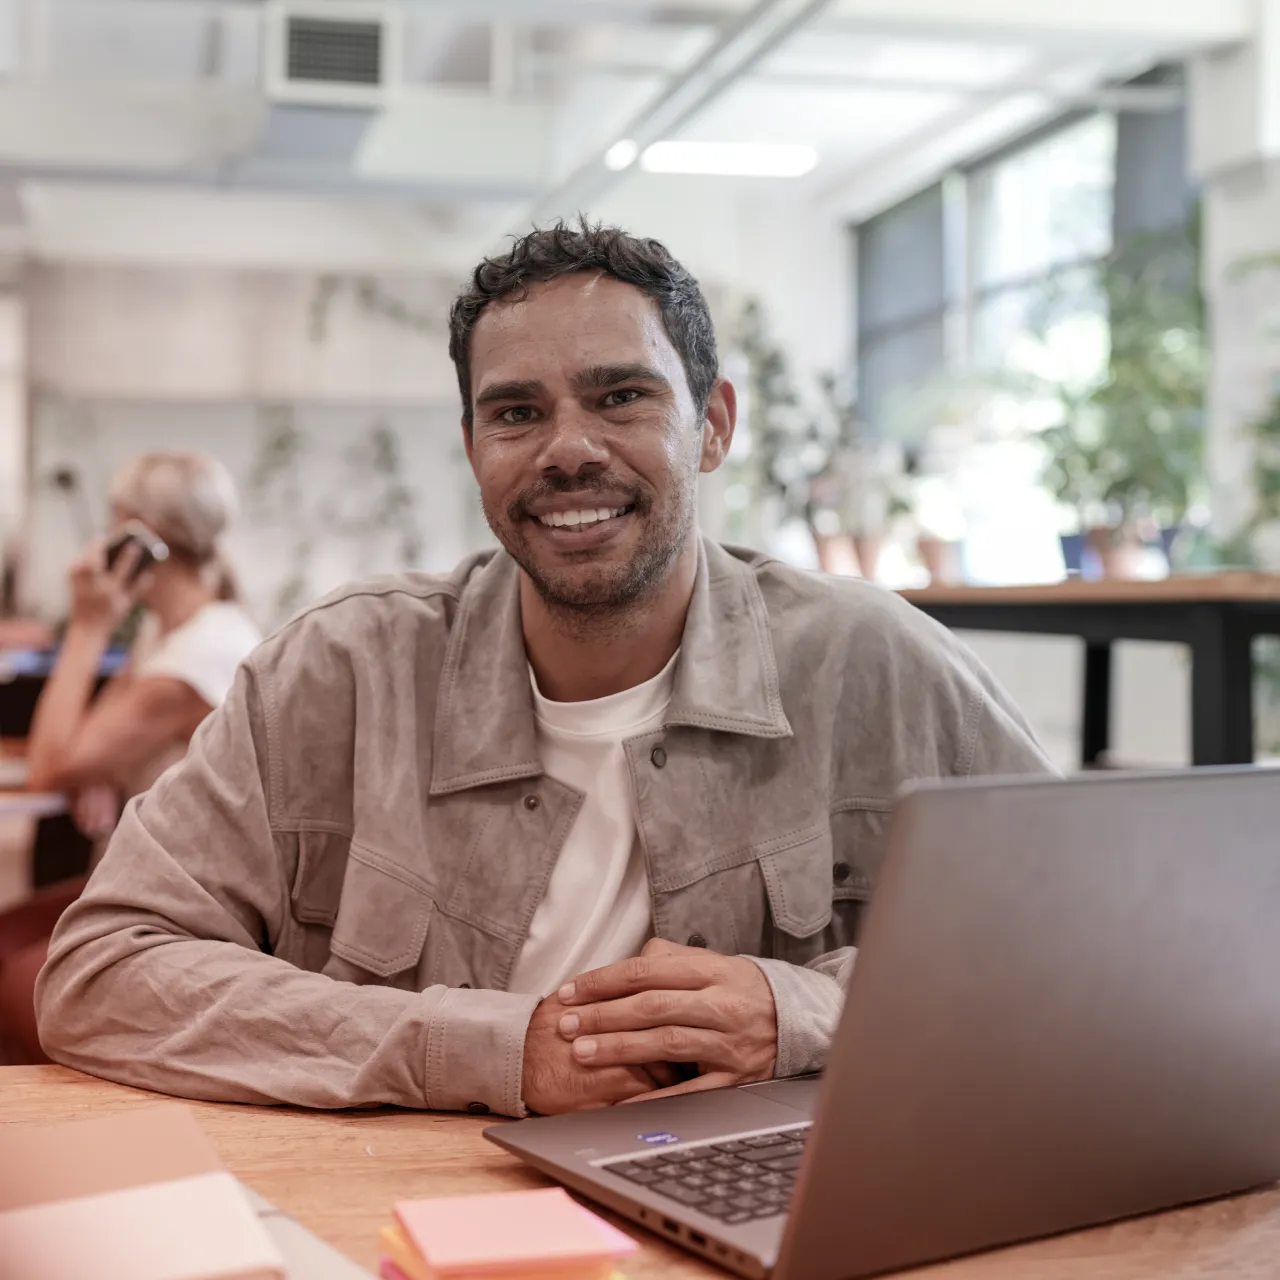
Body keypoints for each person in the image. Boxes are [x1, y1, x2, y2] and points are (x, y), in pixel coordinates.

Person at [36, 223, 1053, 1115]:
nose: (568, 449)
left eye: (620, 396)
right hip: (398, 1210)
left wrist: (805, 1008)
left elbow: (1077, 953)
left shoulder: (868, 660)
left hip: (763, 1206)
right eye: (516, 412)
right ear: (473, 445)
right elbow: (100, 971)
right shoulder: (339, 670)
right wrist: (491, 1048)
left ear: (711, 425)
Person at [0, 452, 260, 1062]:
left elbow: (49, 766)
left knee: (20, 976)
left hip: (190, 907)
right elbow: (75, 754)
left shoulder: (200, 655)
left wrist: (90, 625)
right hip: (141, 876)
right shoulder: (168, 634)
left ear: (138, 538)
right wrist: (102, 767)